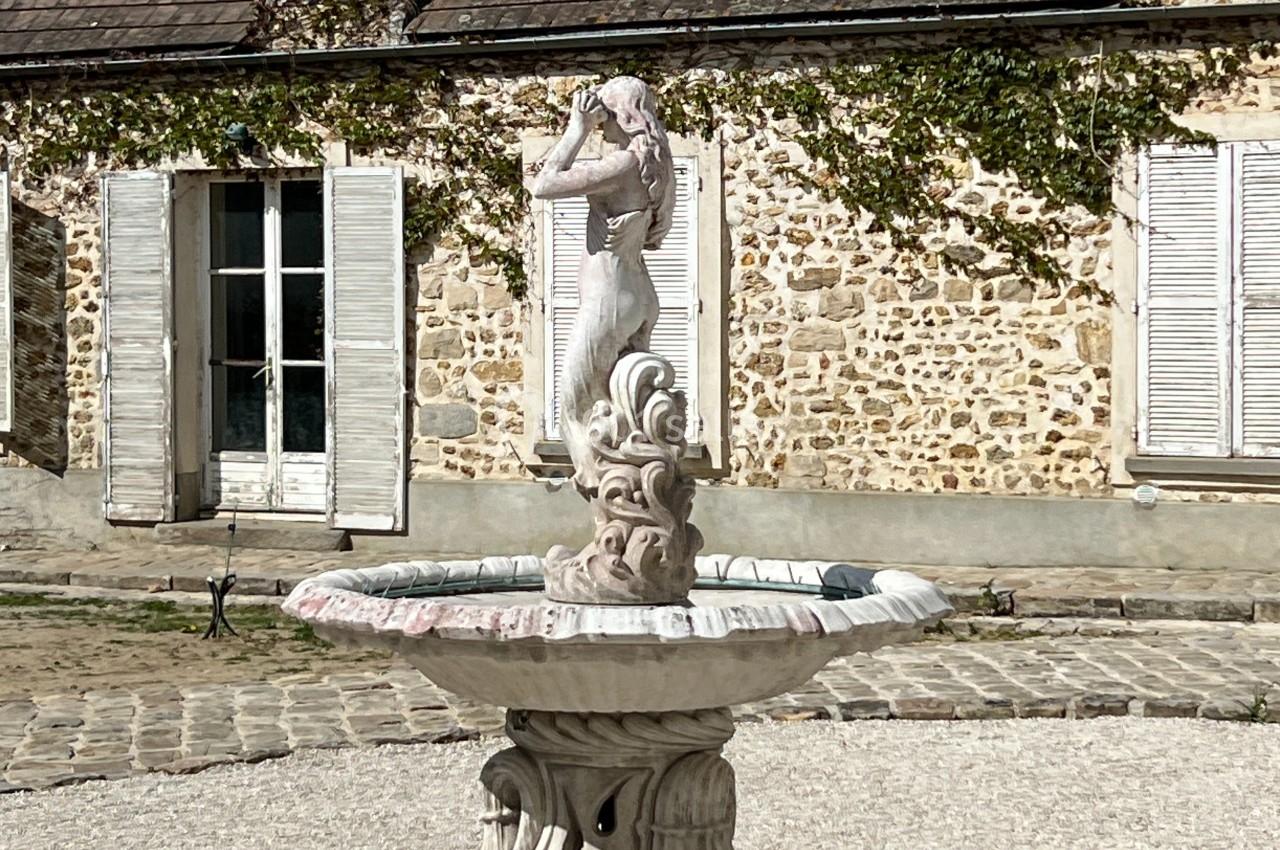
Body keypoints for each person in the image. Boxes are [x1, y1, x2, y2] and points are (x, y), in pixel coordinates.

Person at [532, 76, 677, 498]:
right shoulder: (655, 162)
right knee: (624, 411)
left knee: (576, 407)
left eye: (606, 113)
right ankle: (641, 497)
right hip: (640, 295)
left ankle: (611, 503)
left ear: (623, 115)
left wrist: (577, 129)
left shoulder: (623, 165)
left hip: (609, 299)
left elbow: (544, 185)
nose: (601, 120)